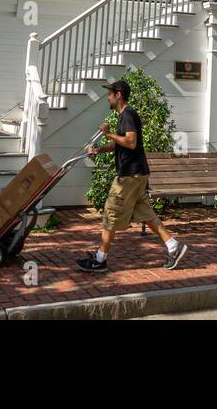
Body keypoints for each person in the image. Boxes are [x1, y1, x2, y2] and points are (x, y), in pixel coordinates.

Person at [77, 78, 187, 273]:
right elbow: (121, 144)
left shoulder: (127, 114)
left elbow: (130, 142)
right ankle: (173, 246)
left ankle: (100, 259)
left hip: (129, 175)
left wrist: (108, 133)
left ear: (118, 95)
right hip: (137, 174)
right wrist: (99, 149)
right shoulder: (124, 116)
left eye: (109, 95)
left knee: (111, 211)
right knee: (147, 215)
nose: (108, 98)